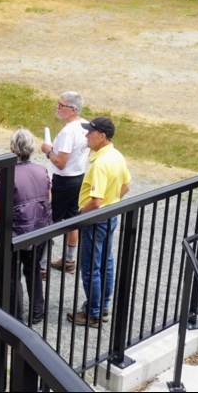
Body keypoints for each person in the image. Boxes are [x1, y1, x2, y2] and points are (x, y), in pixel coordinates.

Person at [67, 117, 131, 328]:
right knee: (106, 262)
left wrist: (79, 214)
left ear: (101, 136)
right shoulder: (116, 155)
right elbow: (126, 186)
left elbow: (96, 201)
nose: (87, 135)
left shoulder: (100, 164)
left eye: (90, 132)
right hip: (110, 214)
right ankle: (102, 306)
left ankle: (92, 314)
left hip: (96, 218)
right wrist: (113, 202)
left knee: (90, 267)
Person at [0, 128, 52, 326]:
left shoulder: (8, 174)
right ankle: (37, 311)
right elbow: (48, 198)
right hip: (39, 229)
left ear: (12, 149)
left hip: (15, 232)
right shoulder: (41, 170)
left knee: (12, 275)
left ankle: (16, 316)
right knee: (34, 269)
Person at [39, 92, 89, 276]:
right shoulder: (85, 125)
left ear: (73, 109)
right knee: (72, 219)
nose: (58, 108)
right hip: (79, 177)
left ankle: (42, 265)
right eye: (58, 103)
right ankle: (69, 260)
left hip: (64, 179)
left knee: (49, 220)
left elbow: (60, 162)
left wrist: (47, 151)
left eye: (62, 105)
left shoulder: (68, 131)